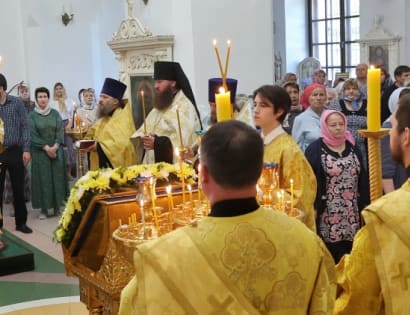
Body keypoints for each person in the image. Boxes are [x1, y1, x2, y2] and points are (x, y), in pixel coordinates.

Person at [119, 120, 336, 315]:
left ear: (202, 175)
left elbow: (132, 305)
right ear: (260, 173)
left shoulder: (163, 257)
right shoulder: (308, 244)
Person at [334, 92, 410, 314]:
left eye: (393, 127)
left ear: (406, 136)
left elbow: (355, 301)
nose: (390, 133)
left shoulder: (384, 216)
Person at [305, 110, 369, 263]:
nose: (338, 128)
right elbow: (309, 180)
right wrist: (313, 207)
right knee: (331, 255)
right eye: (333, 125)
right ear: (325, 126)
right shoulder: (315, 150)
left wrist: (365, 204)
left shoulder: (353, 147)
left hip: (351, 210)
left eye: (341, 124)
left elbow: (363, 176)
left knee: (352, 252)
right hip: (327, 211)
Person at [253, 84, 317, 231]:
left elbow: (300, 197)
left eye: (263, 105)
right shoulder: (255, 144)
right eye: (255, 104)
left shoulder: (289, 150)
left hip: (281, 227)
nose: (256, 110)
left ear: (279, 111)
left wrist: (261, 193)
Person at [131, 61, 202, 164]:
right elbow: (145, 129)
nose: (155, 86)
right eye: (155, 82)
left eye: (159, 82)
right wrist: (143, 138)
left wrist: (157, 144)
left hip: (175, 172)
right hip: (153, 168)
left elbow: (184, 145)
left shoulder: (185, 108)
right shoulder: (161, 104)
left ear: (173, 83)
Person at [29, 87, 69, 219]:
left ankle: (57, 207)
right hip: (40, 153)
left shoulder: (55, 113)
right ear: (36, 99)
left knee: (57, 179)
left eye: (45, 96)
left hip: (56, 152)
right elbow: (32, 135)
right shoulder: (32, 116)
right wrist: (47, 148)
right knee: (43, 179)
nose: (43, 99)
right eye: (40, 97)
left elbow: (60, 131)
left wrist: (56, 146)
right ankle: (44, 209)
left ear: (48, 98)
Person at [0, 73, 32, 233]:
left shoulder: (17, 103)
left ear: (2, 88)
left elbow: (25, 126)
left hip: (15, 151)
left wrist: (26, 149)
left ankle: (21, 223)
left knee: (18, 189)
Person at [84, 78, 138, 169]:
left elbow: (125, 145)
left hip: (117, 172)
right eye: (100, 96)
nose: (100, 100)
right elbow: (93, 135)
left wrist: (99, 147)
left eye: (105, 97)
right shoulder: (104, 118)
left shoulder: (123, 118)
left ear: (115, 101)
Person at [330, 78, 368, 169]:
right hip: (342, 145)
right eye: (348, 89)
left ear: (359, 91)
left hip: (363, 146)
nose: (351, 91)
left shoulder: (367, 104)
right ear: (343, 91)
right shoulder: (336, 104)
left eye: (354, 89)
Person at [381, 87, 410, 193]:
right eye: (402, 104)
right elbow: (386, 169)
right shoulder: (389, 127)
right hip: (399, 187)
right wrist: (392, 197)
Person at [50, 82, 76, 179]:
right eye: (56, 89)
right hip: (57, 125)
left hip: (67, 124)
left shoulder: (69, 101)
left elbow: (71, 114)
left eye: (60, 88)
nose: (59, 90)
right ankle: (61, 173)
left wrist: (69, 124)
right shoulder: (52, 103)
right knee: (59, 148)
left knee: (69, 148)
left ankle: (69, 172)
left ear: (63, 89)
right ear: (54, 91)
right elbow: (52, 116)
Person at [292, 83, 327, 151]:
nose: (318, 98)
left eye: (321, 95)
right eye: (314, 95)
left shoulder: (331, 116)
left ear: (325, 97)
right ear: (308, 97)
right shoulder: (300, 119)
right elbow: (297, 147)